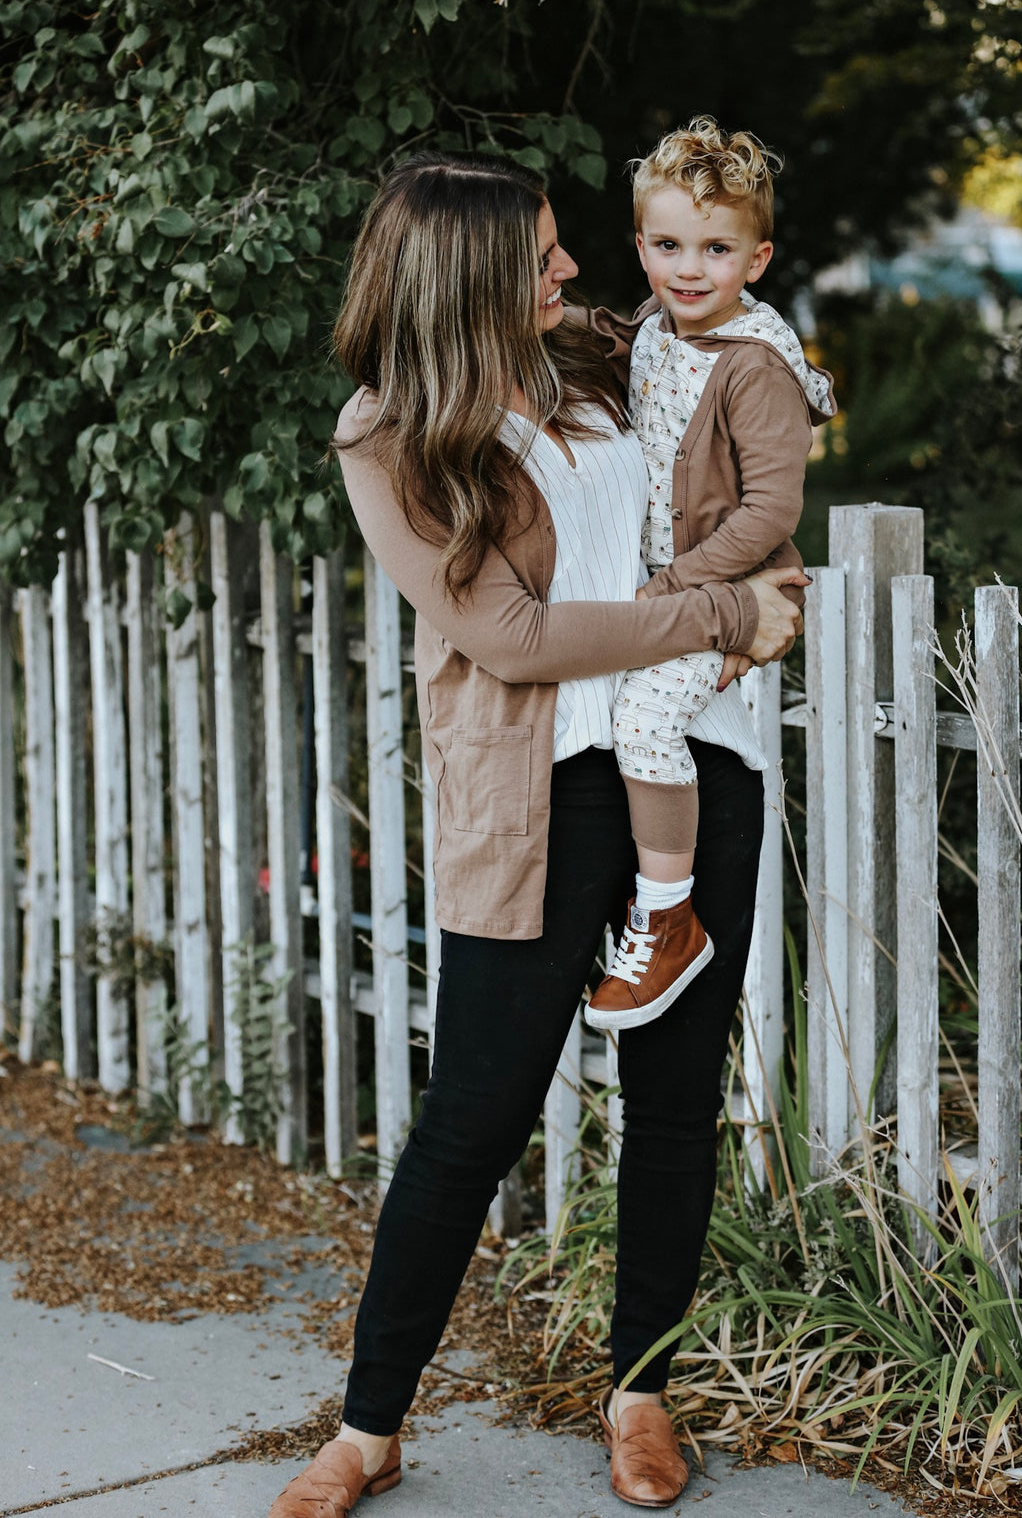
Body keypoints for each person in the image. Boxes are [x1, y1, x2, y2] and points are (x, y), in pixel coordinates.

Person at [268, 149, 807, 1517]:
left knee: (677, 1103)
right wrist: (721, 616)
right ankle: (370, 1426)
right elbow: (505, 639)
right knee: (473, 1118)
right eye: (546, 255)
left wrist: (765, 571)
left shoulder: (607, 364)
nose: (573, 270)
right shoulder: (385, 436)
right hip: (536, 803)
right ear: (467, 277)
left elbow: (758, 411)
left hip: (693, 768)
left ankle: (643, 1394)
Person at [583, 119, 836, 1034]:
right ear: (641, 244)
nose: (689, 269)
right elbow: (597, 334)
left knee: (642, 719)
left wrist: (680, 586)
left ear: (757, 258)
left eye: (717, 250)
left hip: (733, 589)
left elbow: (770, 514)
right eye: (667, 245)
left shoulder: (755, 369)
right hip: (679, 585)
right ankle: (636, 886)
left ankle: (669, 919)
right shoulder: (659, 322)